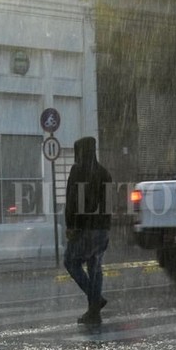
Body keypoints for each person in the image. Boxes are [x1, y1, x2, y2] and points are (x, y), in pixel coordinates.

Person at [64, 136, 113, 325]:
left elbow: (72, 201)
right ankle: (94, 312)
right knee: (95, 267)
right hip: (101, 229)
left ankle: (95, 301)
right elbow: (108, 205)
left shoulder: (78, 171)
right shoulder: (104, 173)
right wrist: (106, 228)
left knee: (70, 262)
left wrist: (72, 225)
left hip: (84, 228)